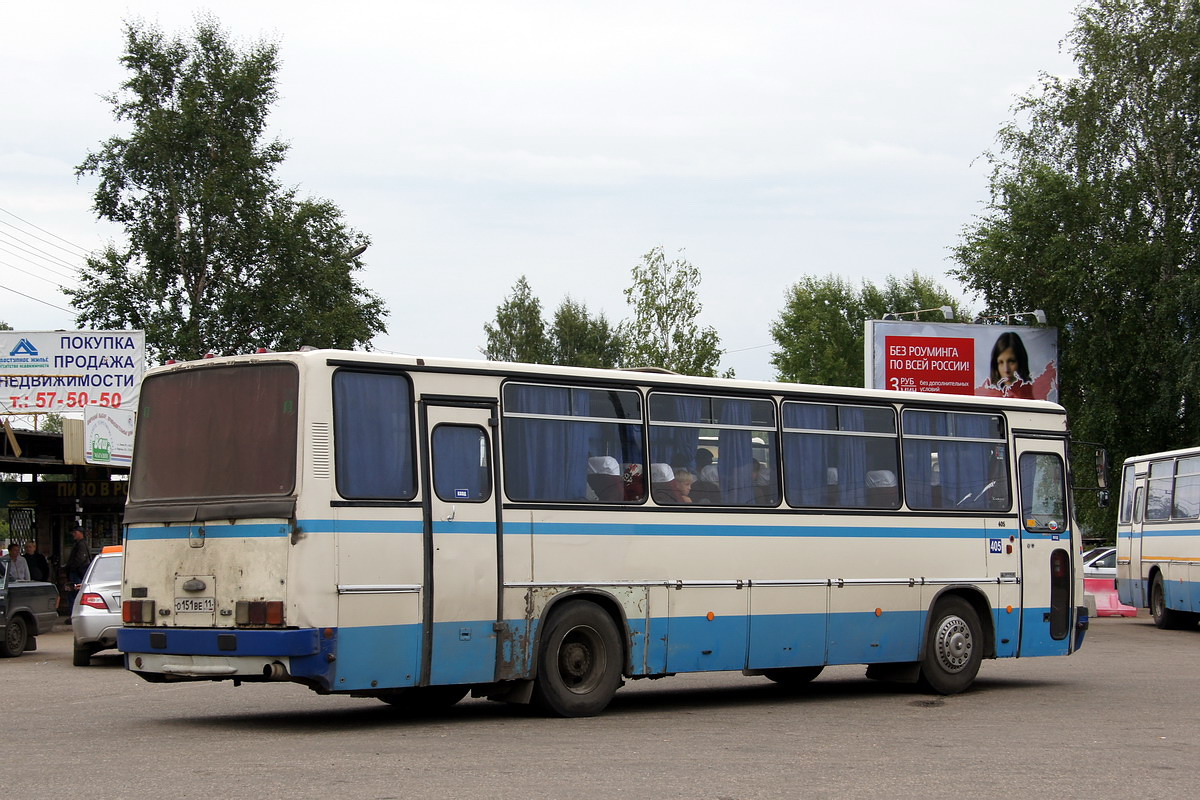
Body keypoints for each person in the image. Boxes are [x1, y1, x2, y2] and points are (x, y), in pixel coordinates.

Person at [987, 332, 1034, 400]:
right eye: (1001, 362)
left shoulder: (1034, 397)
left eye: (1011, 361)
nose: (1006, 369)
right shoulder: (989, 398)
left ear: (1021, 362)